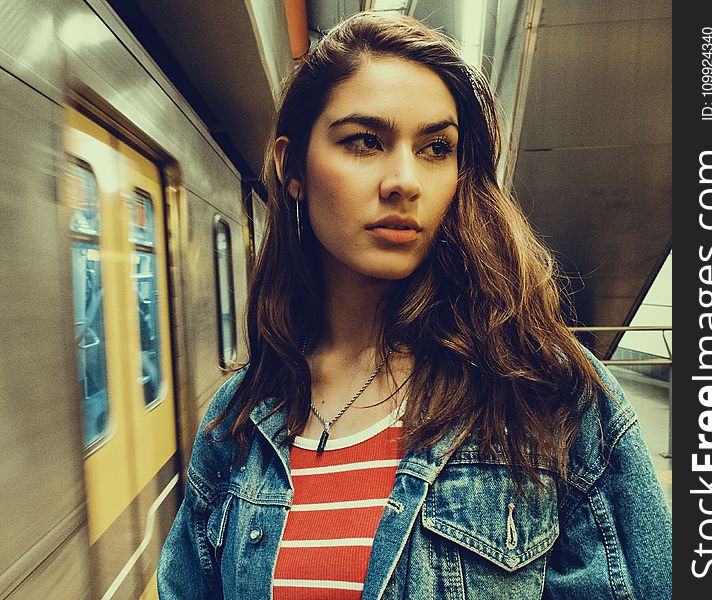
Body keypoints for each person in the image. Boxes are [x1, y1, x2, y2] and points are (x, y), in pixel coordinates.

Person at [157, 11, 671, 599]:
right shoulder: (239, 423)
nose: (405, 180)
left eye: (435, 148)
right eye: (365, 142)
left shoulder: (547, 397)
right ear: (291, 166)